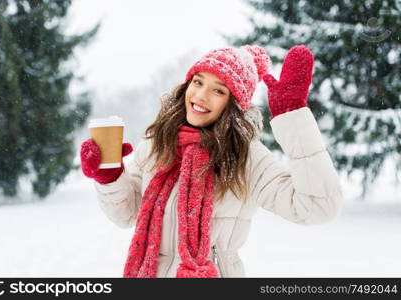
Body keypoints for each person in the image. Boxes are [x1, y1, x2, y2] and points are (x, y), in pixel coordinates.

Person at [80, 44, 343, 278]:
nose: (201, 96)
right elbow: (126, 214)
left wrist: (292, 116)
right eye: (198, 82)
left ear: (233, 104)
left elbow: (318, 206)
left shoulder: (245, 157)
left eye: (218, 90)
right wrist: (109, 176)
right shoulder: (157, 143)